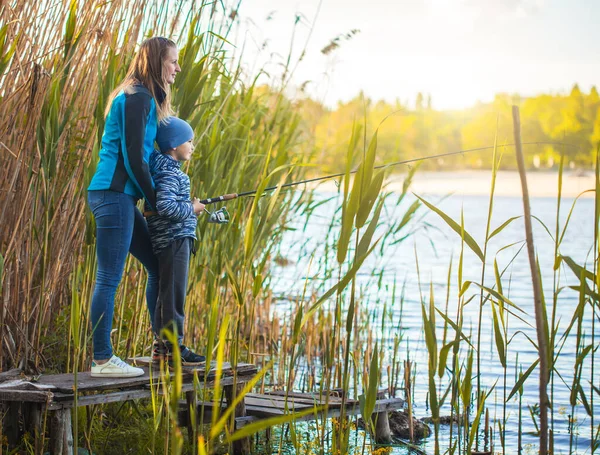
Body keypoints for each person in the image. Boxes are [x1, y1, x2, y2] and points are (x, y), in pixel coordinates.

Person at [87, 37, 181, 377]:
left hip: (119, 196)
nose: (177, 69)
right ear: (158, 62)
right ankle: (101, 359)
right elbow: (133, 158)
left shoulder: (138, 95)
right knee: (108, 278)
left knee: (156, 264)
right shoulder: (137, 97)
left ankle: (162, 348)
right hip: (113, 195)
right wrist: (157, 201)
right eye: (173, 61)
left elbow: (143, 155)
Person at [146, 117, 205, 365]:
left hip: (172, 239)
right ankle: (175, 348)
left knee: (167, 292)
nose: (192, 145)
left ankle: (162, 346)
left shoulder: (166, 171)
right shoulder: (170, 173)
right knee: (174, 294)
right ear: (173, 145)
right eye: (188, 141)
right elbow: (166, 206)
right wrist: (192, 209)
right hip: (174, 239)